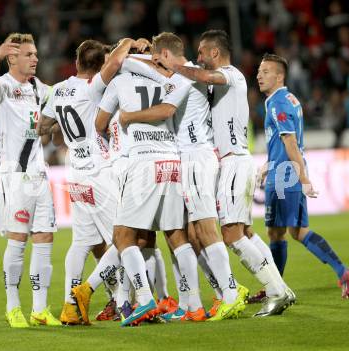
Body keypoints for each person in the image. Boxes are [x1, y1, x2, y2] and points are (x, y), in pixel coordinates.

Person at [162, 29, 294, 316]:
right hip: (234, 162)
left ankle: (275, 290)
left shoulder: (231, 74)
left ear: (214, 53)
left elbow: (208, 77)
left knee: (231, 235)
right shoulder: (222, 83)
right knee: (245, 231)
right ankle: (281, 287)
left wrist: (175, 65)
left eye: (200, 53)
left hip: (234, 161)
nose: (198, 59)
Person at [119, 32, 246, 321]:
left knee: (205, 227)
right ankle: (196, 303)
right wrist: (143, 50)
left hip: (197, 157)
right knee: (190, 233)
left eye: (158, 59)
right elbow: (144, 67)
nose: (155, 64)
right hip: (185, 159)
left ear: (165, 56)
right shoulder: (179, 74)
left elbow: (165, 108)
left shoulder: (186, 75)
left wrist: (129, 116)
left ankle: (230, 292)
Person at [38, 38, 148, 325]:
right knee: (124, 238)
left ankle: (69, 306)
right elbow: (114, 63)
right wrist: (128, 42)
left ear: (76, 62)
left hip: (74, 171)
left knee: (82, 242)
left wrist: (56, 128)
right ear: (99, 66)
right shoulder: (93, 87)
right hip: (100, 171)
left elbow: (41, 127)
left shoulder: (58, 89)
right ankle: (120, 301)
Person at [97, 57, 206, 323]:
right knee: (176, 236)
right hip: (171, 160)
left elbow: (99, 123)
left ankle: (145, 299)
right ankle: (195, 305)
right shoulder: (166, 81)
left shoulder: (120, 81)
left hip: (143, 162)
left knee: (123, 236)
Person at [256, 53, 349, 299]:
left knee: (284, 232)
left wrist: (304, 181)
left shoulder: (278, 102)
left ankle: (277, 288)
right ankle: (340, 271)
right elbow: (286, 143)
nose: (259, 75)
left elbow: (290, 142)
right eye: (259, 71)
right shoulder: (289, 98)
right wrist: (269, 164)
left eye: (266, 71)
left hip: (285, 177)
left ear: (279, 76)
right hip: (284, 171)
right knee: (290, 231)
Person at [0, 33, 61, 328]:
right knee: (18, 239)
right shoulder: (4, 87)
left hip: (38, 174)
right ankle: (13, 306)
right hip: (12, 174)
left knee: (44, 237)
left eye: (36, 54)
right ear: (12, 58)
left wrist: (50, 126)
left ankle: (40, 308)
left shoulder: (41, 88)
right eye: (28, 54)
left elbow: (62, 103)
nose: (35, 58)